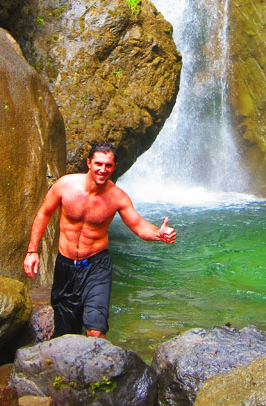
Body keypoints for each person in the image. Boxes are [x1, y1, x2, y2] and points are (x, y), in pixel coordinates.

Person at [23, 142, 176, 338]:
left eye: (108, 165)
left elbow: (138, 225)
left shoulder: (117, 198)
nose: (103, 170)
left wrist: (158, 233)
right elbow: (44, 213)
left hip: (97, 266)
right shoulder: (65, 186)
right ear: (89, 163)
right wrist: (32, 251)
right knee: (65, 334)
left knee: (95, 330)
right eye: (99, 164)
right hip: (66, 266)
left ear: (114, 167)